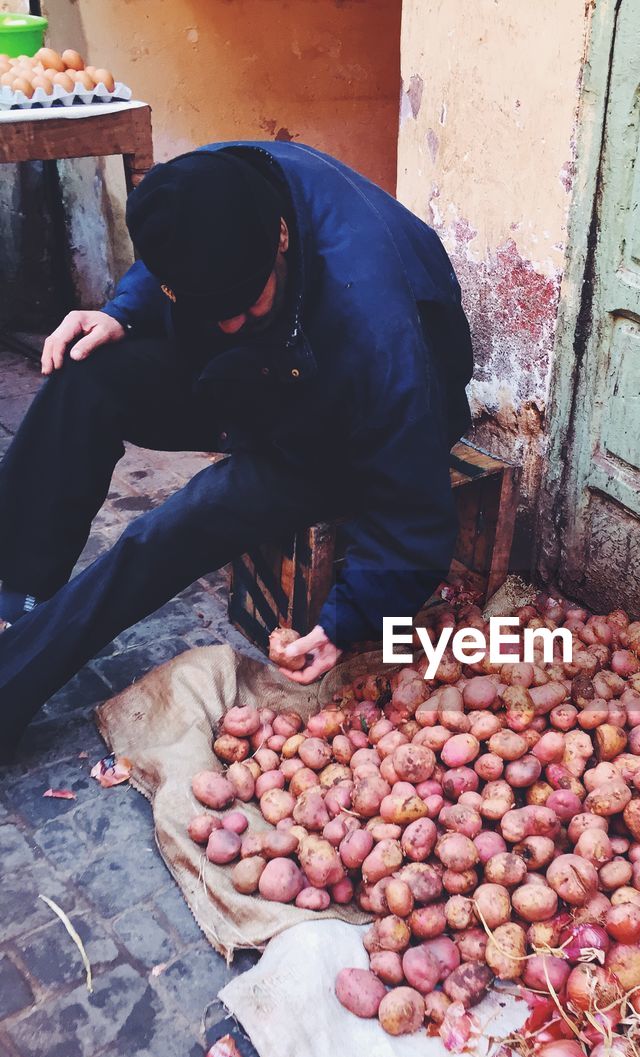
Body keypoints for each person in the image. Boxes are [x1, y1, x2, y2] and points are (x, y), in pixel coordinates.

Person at [0, 142, 473, 757]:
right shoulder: (211, 188)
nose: (228, 323)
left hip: (343, 422)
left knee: (174, 528)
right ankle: (16, 596)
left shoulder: (376, 332)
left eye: (249, 301)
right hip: (265, 373)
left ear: (281, 236)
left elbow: (414, 513)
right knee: (87, 374)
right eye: (210, 308)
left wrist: (347, 618)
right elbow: (165, 269)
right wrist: (123, 313)